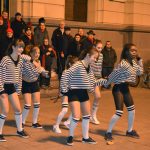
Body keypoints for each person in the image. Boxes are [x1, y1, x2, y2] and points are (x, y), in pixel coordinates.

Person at [60, 47, 107, 146]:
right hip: (73, 93)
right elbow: (65, 75)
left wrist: (106, 80)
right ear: (88, 56)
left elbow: (93, 82)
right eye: (94, 58)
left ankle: (85, 138)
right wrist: (64, 91)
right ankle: (70, 137)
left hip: (83, 93)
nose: (95, 60)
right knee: (76, 117)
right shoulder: (78, 65)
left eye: (96, 58)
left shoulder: (89, 68)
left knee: (86, 116)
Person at [103, 43, 143, 142]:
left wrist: (140, 61)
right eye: (132, 50)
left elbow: (140, 72)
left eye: (135, 50)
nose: (134, 52)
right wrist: (106, 83)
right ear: (126, 52)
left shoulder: (133, 63)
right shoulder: (123, 63)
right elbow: (114, 74)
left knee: (132, 110)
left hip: (125, 88)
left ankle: (129, 131)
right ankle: (108, 132)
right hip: (118, 88)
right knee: (119, 112)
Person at [0, 39, 30, 140]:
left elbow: (19, 76)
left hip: (12, 87)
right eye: (19, 47)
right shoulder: (5, 59)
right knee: (5, 110)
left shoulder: (21, 60)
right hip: (3, 86)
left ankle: (19, 130)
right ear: (13, 47)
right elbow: (0, 76)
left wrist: (18, 90)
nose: (21, 49)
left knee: (18, 109)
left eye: (22, 47)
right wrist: (1, 90)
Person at [22, 46, 49, 129]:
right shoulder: (26, 61)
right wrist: (39, 69)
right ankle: (22, 122)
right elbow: (22, 55)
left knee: (37, 104)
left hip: (34, 83)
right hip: (26, 84)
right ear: (31, 53)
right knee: (27, 105)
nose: (37, 54)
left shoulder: (39, 62)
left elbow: (39, 72)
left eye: (39, 53)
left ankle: (34, 122)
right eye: (36, 53)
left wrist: (45, 73)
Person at [53, 55, 78, 134]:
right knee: (64, 110)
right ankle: (56, 125)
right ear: (70, 64)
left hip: (71, 92)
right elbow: (63, 85)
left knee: (76, 109)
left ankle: (67, 122)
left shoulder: (76, 73)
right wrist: (62, 94)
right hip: (65, 93)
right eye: (75, 64)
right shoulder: (66, 72)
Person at [90, 40, 103, 124]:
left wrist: (100, 78)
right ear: (94, 47)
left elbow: (99, 67)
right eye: (98, 48)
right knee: (82, 98)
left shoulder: (101, 55)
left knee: (98, 96)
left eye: (101, 48)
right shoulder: (90, 54)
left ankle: (93, 116)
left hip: (97, 78)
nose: (100, 49)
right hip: (90, 77)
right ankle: (71, 118)